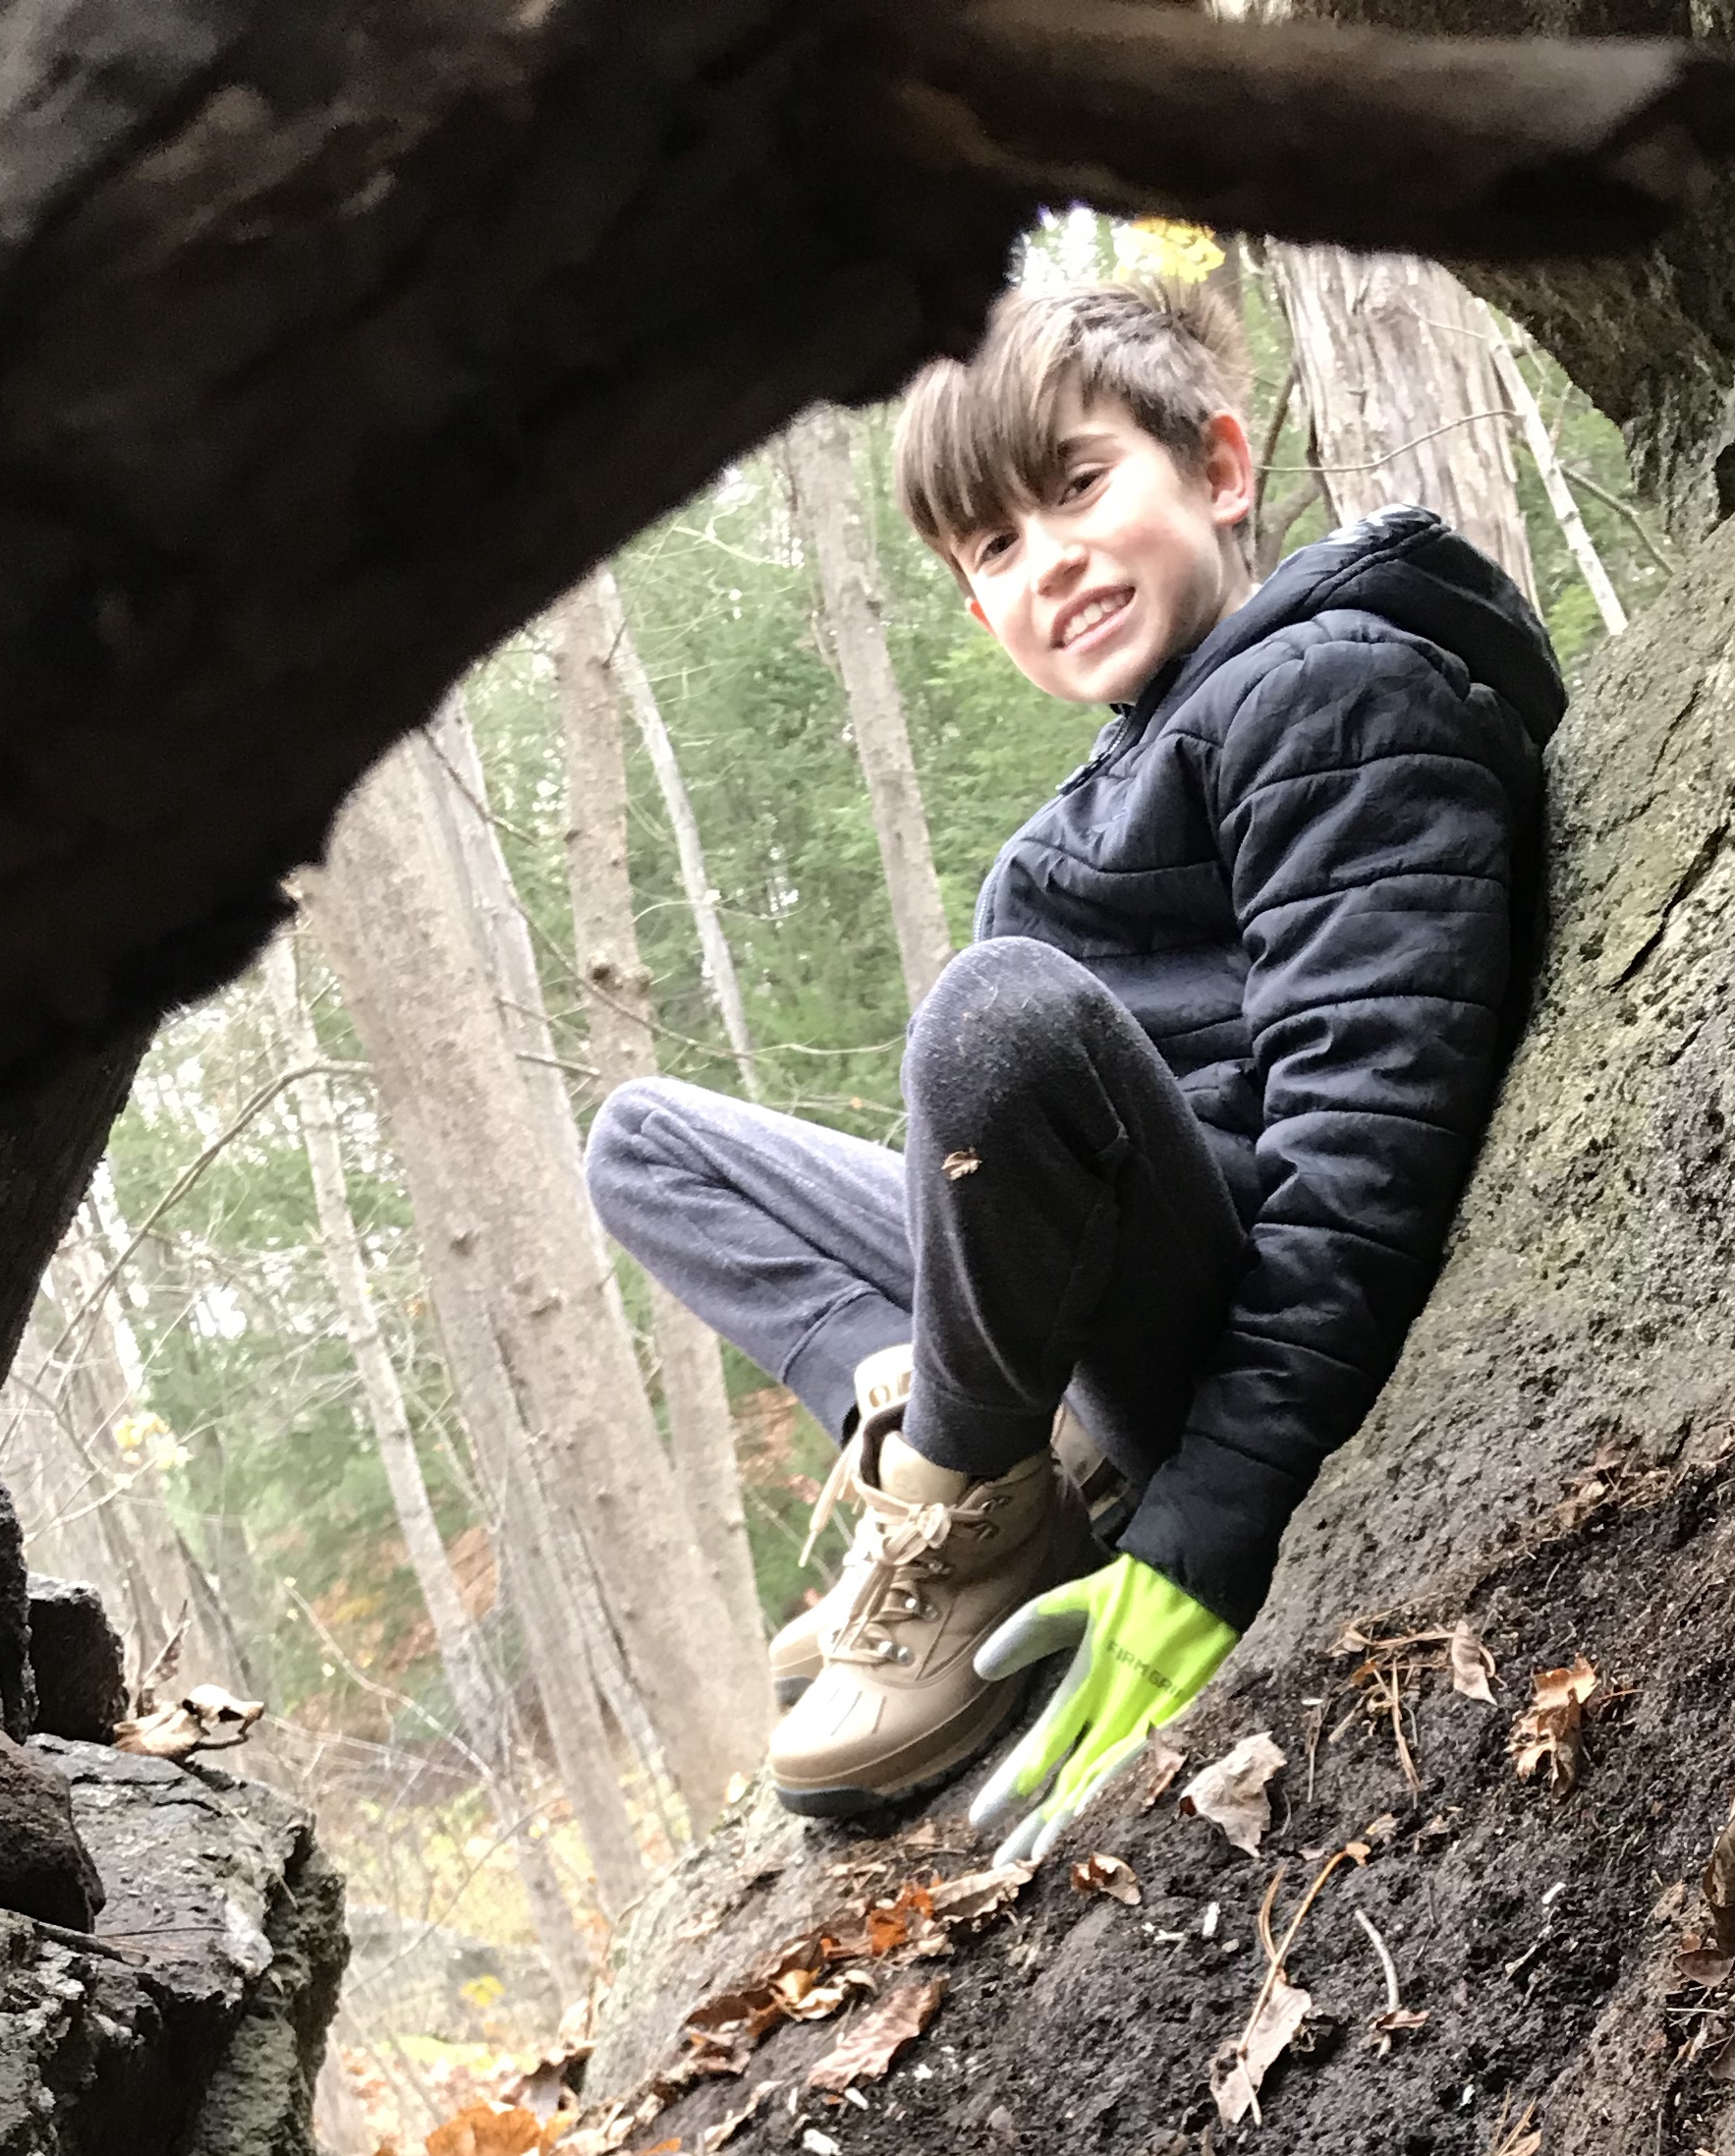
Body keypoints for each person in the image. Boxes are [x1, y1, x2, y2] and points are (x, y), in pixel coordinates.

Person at [586, 275, 1565, 1854]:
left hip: (1221, 1307)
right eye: (994, 548)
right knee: (645, 1144)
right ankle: (974, 1465)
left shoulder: (1339, 691)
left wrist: (1201, 1541)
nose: (1047, 560)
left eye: (1079, 486)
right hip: (1095, 1283)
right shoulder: (1098, 801)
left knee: (1000, 1020)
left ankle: (968, 1504)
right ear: (982, 617)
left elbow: (1371, 1150)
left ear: (1220, 469)